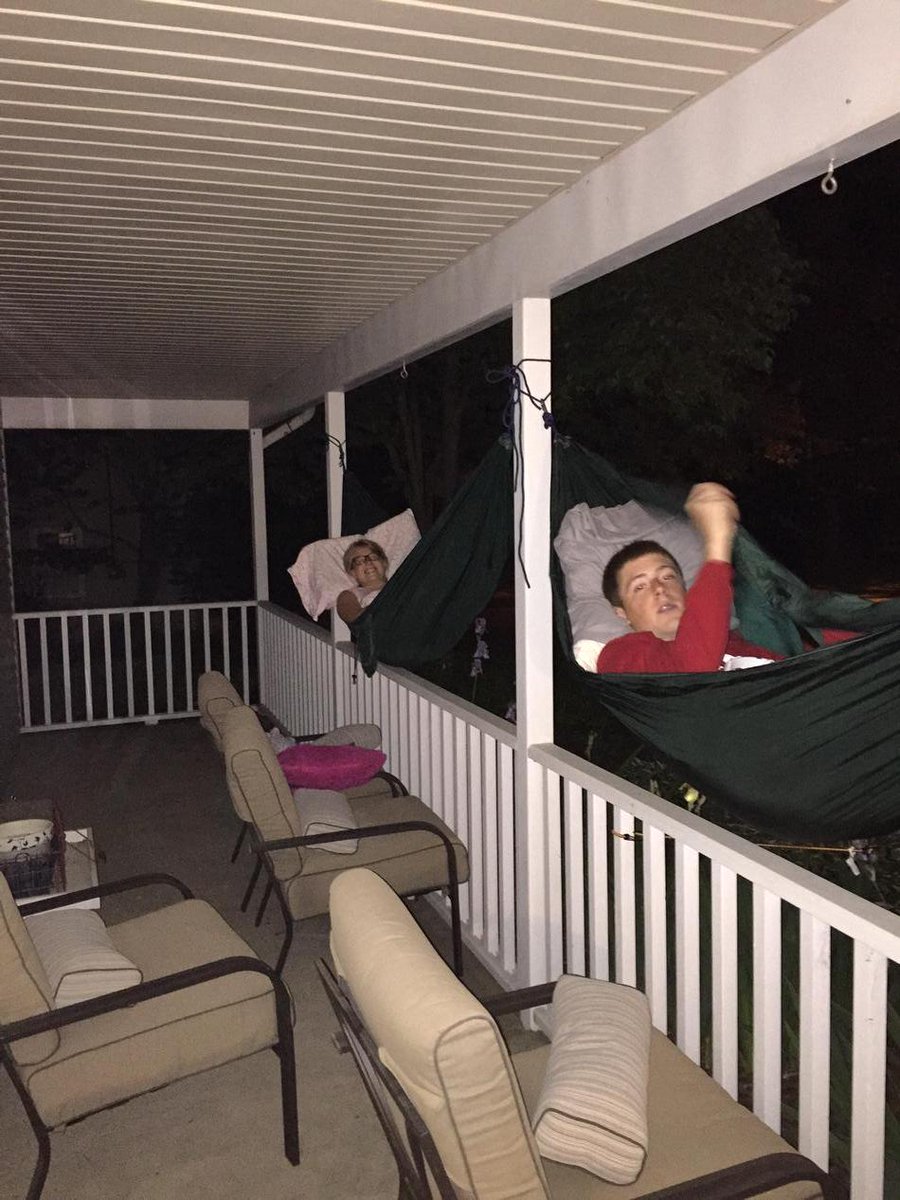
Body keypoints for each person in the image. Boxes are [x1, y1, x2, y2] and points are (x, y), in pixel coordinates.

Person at [596, 483, 858, 674]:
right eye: (639, 586)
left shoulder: (747, 635)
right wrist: (717, 543)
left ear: (688, 591)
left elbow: (830, 653)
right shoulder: (620, 655)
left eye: (667, 577)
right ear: (622, 613)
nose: (659, 589)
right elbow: (692, 669)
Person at [336, 538, 389, 623]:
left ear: (384, 562)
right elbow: (354, 617)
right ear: (352, 572)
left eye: (373, 557)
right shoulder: (349, 595)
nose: (368, 562)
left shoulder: (402, 584)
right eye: (359, 561)